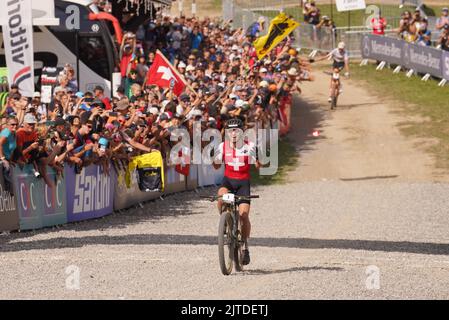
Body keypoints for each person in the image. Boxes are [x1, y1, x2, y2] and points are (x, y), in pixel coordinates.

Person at [213, 118, 262, 266]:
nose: (233, 133)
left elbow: (259, 166)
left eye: (236, 130)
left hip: (243, 184)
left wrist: (259, 159)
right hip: (228, 182)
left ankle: (245, 246)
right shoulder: (222, 146)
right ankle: (226, 221)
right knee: (221, 198)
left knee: (244, 216)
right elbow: (216, 167)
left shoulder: (250, 146)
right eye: (230, 131)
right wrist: (215, 159)